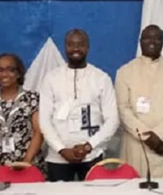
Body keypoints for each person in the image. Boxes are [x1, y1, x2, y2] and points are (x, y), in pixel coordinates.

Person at [39, 29, 119, 181]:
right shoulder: (51, 79)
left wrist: (88, 146)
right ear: (65, 47)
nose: (75, 48)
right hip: (58, 157)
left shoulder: (101, 78)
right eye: (71, 44)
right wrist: (61, 149)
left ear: (88, 47)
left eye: (80, 44)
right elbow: (44, 120)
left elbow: (112, 120)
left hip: (92, 155)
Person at [115, 25, 163, 178]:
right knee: (137, 188)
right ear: (140, 42)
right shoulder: (125, 71)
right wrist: (147, 137)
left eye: (157, 38)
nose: (152, 42)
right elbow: (122, 109)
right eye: (147, 38)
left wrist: (159, 133)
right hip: (137, 143)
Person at [0, 53, 44, 183]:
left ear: (18, 73)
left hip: (29, 166)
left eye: (10, 69)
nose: (4, 74)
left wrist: (27, 162)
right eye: (0, 70)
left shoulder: (33, 99)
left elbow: (38, 132)